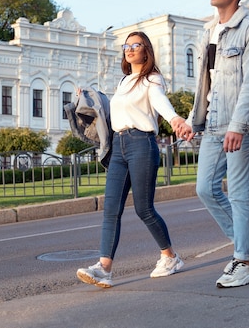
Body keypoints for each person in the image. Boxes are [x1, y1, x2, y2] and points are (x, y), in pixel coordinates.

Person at [76, 31, 193, 288]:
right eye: (126, 45)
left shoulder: (152, 79)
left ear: (145, 50)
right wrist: (86, 97)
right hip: (119, 146)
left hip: (141, 143)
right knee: (111, 209)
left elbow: (159, 101)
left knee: (144, 209)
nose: (129, 49)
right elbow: (110, 109)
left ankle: (170, 257)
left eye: (135, 45)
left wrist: (175, 119)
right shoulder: (124, 81)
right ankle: (104, 268)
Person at [186, 0, 249, 288]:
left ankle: (244, 262)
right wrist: (197, 121)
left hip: (240, 126)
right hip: (213, 124)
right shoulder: (210, 31)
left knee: (238, 194)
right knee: (205, 188)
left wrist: (238, 125)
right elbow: (206, 84)